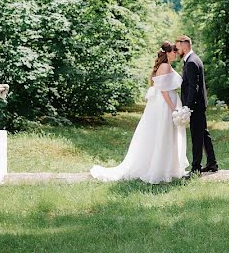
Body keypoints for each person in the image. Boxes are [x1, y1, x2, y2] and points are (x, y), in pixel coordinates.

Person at [89, 41, 188, 183]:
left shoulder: (166, 66)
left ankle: (165, 167)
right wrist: (174, 108)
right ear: (167, 53)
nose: (176, 54)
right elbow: (164, 91)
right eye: (174, 52)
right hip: (165, 104)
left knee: (164, 133)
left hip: (163, 103)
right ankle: (160, 168)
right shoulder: (165, 66)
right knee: (163, 133)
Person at [176, 35, 218, 177]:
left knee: (197, 136)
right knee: (204, 134)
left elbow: (194, 86)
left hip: (195, 106)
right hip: (199, 104)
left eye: (178, 47)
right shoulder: (193, 59)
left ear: (185, 45)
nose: (177, 50)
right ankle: (212, 163)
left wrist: (188, 106)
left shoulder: (192, 62)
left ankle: (196, 168)